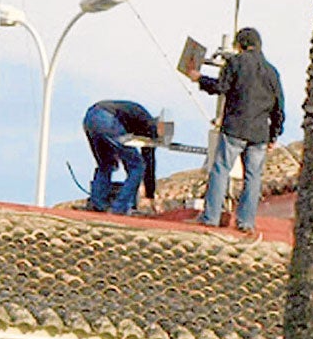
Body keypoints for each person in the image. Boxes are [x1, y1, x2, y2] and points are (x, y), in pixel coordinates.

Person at [187, 27, 285, 233]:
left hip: (235, 128)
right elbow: (279, 107)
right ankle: (246, 222)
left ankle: (210, 217)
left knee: (221, 170)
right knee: (253, 178)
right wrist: (274, 135)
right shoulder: (272, 71)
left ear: (239, 45)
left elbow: (221, 87)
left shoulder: (236, 63)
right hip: (259, 133)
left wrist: (199, 78)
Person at [82, 100, 163, 215]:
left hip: (90, 117)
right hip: (107, 119)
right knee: (138, 166)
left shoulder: (141, 118)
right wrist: (150, 194)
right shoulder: (150, 130)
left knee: (106, 164)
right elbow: (148, 162)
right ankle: (120, 208)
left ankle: (98, 204)